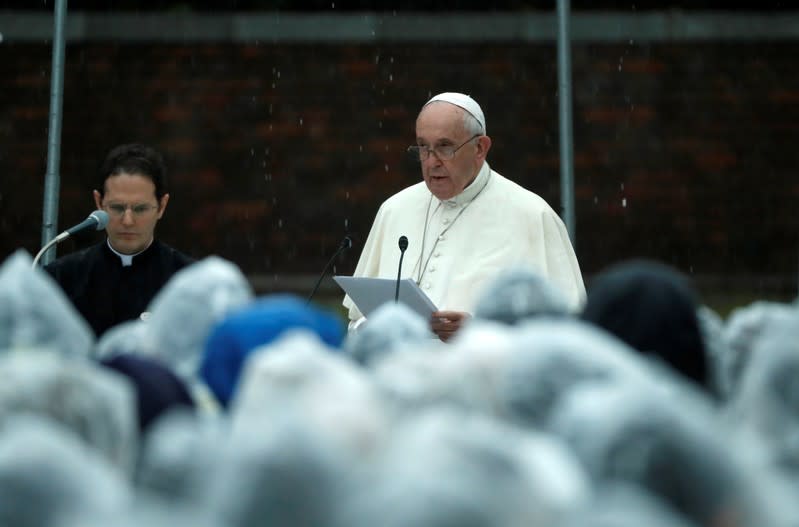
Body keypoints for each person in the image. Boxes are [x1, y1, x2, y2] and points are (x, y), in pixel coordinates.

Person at [343, 92, 585, 341]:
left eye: (444, 147)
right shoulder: (394, 209)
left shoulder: (533, 215)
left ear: (480, 148)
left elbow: (568, 330)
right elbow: (356, 321)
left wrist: (480, 331)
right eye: (423, 147)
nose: (431, 162)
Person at [45, 143, 194, 337]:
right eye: (117, 208)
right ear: (99, 203)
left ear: (162, 206)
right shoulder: (61, 278)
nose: (128, 221)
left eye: (140, 209)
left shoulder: (186, 281)